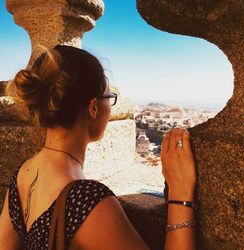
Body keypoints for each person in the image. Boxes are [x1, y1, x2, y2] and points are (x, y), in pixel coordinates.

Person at [0, 45, 197, 250]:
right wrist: (180, 195)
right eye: (108, 97)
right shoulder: (87, 201)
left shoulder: (24, 173)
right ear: (93, 107)